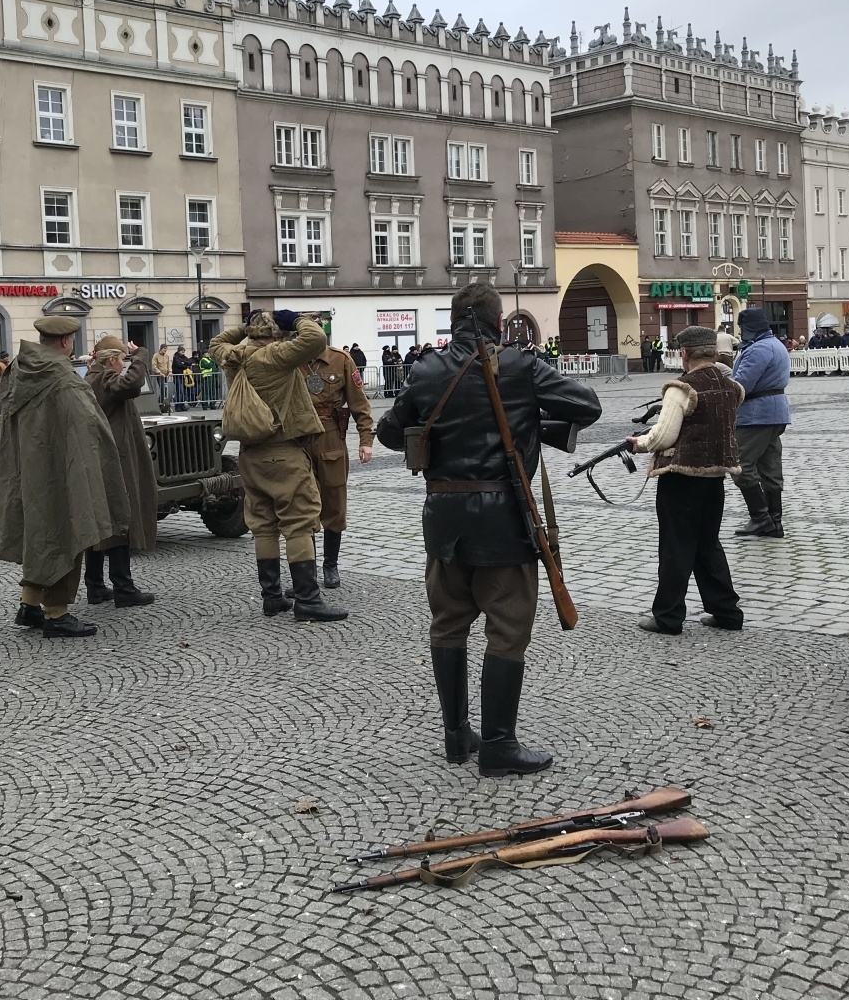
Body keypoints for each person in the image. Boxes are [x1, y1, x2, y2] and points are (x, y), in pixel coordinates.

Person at [376, 283, 602, 776]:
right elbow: (587, 406)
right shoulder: (520, 366)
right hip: (503, 520)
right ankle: (498, 744)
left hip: (443, 519)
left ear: (454, 321)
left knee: (449, 624)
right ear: (498, 323)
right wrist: (526, 414)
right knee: (507, 629)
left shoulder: (427, 369)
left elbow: (390, 433)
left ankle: (457, 737)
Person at [0, 315, 130, 639]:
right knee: (65, 532)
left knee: (39, 533)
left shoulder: (20, 369)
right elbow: (87, 423)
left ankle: (29, 604)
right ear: (66, 342)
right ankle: (57, 612)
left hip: (27, 467)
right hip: (56, 466)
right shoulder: (63, 378)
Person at [209, 311, 346, 623]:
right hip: (282, 451)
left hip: (250, 456)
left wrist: (246, 327)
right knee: (299, 522)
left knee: (264, 525)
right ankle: (308, 600)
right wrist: (295, 319)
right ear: (274, 336)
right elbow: (316, 338)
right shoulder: (274, 356)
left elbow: (216, 341)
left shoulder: (234, 356)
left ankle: (272, 598)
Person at [626, 325, 746, 635]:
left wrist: (640, 444)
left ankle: (668, 617)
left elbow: (664, 435)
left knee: (676, 547)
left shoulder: (682, 388)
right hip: (715, 476)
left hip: (681, 477)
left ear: (684, 354)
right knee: (708, 544)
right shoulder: (730, 385)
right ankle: (726, 612)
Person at [82, 336, 158, 608]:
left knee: (101, 525)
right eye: (123, 359)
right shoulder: (104, 380)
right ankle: (123, 587)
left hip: (105, 459)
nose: (125, 364)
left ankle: (96, 586)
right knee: (119, 522)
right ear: (112, 360)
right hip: (114, 462)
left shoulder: (93, 378)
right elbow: (132, 383)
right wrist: (141, 355)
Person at [300, 337, 374, 589]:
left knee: (334, 501)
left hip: (330, 435)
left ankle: (330, 564)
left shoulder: (340, 359)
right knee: (301, 505)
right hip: (297, 438)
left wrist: (366, 439)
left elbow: (359, 402)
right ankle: (305, 571)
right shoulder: (290, 358)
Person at [730, 307, 791, 538]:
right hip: (774, 414)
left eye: (742, 327)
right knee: (770, 467)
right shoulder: (775, 345)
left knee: (740, 464)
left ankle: (761, 518)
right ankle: (775, 521)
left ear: (748, 328)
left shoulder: (758, 349)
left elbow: (742, 384)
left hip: (756, 415)